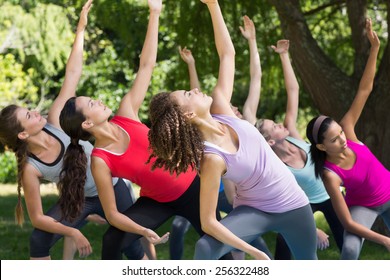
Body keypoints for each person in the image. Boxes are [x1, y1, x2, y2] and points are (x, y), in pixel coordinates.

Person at [59, 0, 232, 261]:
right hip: (157, 201)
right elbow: (114, 214)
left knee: (219, 249)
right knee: (112, 240)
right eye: (92, 103)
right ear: (86, 124)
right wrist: (143, 230)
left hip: (192, 188)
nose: (99, 100)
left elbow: (146, 66)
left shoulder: (126, 112)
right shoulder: (101, 160)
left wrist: (155, 12)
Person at [147, 0, 317, 260]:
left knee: (309, 265)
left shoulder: (223, 109)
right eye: (187, 93)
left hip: (293, 204)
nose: (194, 89)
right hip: (253, 211)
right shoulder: (212, 158)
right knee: (205, 248)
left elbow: (227, 54)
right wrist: (253, 252)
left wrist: (213, 5)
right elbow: (208, 222)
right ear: (189, 114)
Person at [0, 0, 147, 260]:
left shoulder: (56, 121)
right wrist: (73, 233)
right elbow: (37, 219)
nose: (35, 111)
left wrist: (80, 30)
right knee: (39, 241)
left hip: (112, 188)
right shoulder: (31, 169)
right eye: (28, 114)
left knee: (131, 247)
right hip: (83, 199)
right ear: (23, 134)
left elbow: (72, 73)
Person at [168, 15, 273, 260]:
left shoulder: (246, 120)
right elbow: (192, 108)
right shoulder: (212, 136)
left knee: (249, 243)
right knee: (190, 230)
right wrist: (192, 65)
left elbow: (250, 74)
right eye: (229, 109)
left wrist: (252, 40)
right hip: (226, 193)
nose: (232, 110)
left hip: (253, 195)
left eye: (233, 110)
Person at [306, 18, 390, 260]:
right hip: (364, 207)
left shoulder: (349, 131)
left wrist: (374, 48)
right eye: (334, 139)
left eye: (340, 133)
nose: (342, 139)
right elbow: (347, 223)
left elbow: (365, 89)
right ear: (322, 146)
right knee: (350, 248)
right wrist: (384, 239)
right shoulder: (330, 174)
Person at [254, 39, 344, 258]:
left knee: (347, 243)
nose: (279, 124)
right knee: (284, 243)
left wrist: (284, 56)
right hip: (305, 203)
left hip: (332, 194)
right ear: (270, 142)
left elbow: (293, 90)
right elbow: (283, 205)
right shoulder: (277, 167)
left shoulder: (293, 135)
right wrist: (313, 229)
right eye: (273, 126)